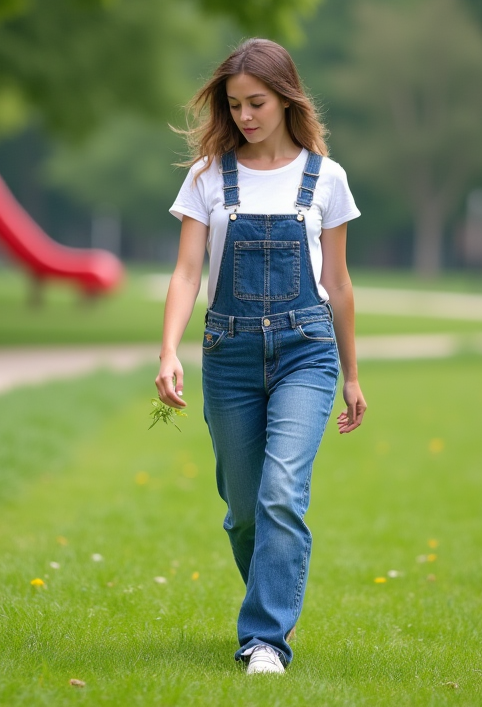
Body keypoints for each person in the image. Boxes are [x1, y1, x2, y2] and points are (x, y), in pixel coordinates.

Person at [155, 38, 367, 675]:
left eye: (257, 103)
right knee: (245, 508)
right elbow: (188, 271)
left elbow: (340, 284)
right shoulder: (207, 177)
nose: (245, 116)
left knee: (281, 493)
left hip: (308, 351)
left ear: (286, 98)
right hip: (230, 355)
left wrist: (353, 374)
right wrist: (168, 348)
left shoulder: (326, 178)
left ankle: (265, 639)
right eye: (235, 105)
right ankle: (273, 598)